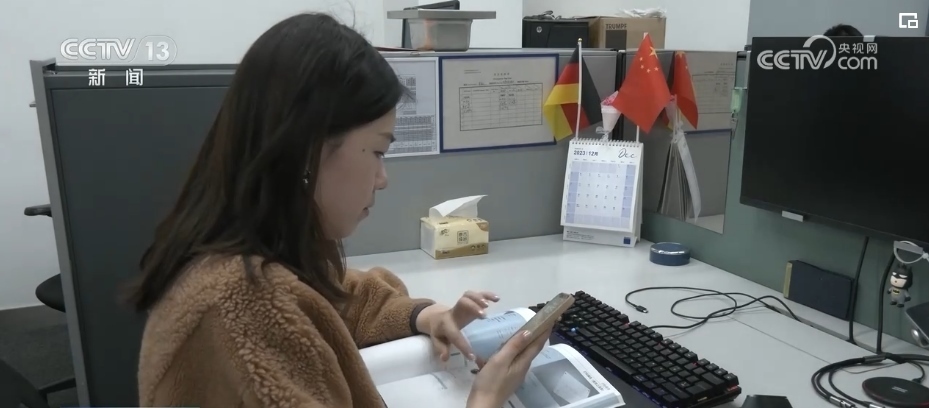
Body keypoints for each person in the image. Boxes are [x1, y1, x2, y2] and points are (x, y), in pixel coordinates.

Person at [128, 12, 551, 408]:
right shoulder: (247, 306)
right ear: (308, 150)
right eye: (378, 151)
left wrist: (427, 314)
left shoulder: (257, 260)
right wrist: (486, 399)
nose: (382, 179)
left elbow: (341, 298)